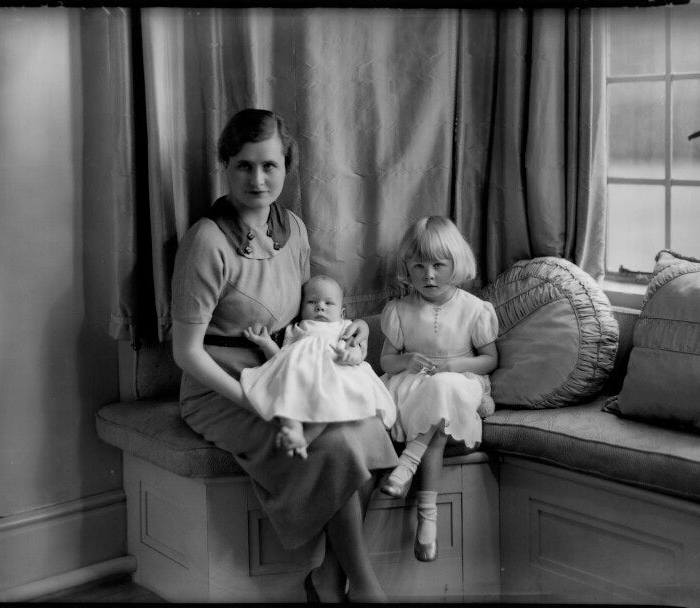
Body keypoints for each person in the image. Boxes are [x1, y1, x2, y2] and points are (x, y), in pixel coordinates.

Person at [171, 108, 397, 602]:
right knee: (335, 448)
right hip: (222, 388)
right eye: (244, 166)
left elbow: (305, 320)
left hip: (282, 370)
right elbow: (186, 353)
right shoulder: (206, 242)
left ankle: (327, 579)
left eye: (270, 166)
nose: (258, 179)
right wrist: (257, 403)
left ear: (286, 167)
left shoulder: (291, 226)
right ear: (225, 167)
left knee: (370, 427)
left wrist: (350, 331)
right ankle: (365, 584)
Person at [378, 216, 499, 562]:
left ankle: (409, 466)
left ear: (455, 265)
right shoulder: (399, 310)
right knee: (437, 414)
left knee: (445, 389)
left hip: (461, 381)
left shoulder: (474, 310)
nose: (428, 276)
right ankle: (426, 516)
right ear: (407, 268)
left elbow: (489, 359)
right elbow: (386, 362)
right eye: (418, 266)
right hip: (415, 385)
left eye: (438, 265)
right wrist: (407, 361)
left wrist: (456, 366)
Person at [240, 274, 397, 459]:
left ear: (342, 313)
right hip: (303, 376)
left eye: (328, 303)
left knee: (331, 404)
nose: (320, 306)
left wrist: (349, 356)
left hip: (335, 372)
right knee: (286, 390)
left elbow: (358, 354)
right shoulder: (297, 329)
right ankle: (293, 428)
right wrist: (266, 344)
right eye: (312, 302)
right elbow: (280, 359)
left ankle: (305, 438)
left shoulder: (345, 327)